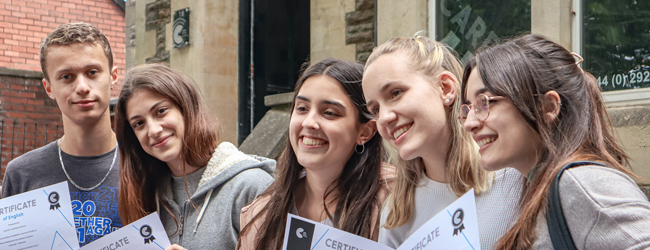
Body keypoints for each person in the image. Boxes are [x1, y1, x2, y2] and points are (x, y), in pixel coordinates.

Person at [460, 34, 650, 249]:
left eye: (484, 103)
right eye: (467, 108)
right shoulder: (537, 186)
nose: (469, 123)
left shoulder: (581, 183)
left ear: (548, 107)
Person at [362, 35, 524, 249]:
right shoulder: (396, 213)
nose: (384, 118)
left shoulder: (517, 179)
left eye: (395, 93)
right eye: (375, 109)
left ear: (446, 88)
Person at [237, 58, 394, 250]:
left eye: (329, 112)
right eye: (302, 109)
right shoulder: (260, 215)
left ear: (365, 131)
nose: (309, 122)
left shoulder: (398, 203)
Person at [115, 64, 275, 249]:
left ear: (186, 108)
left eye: (161, 111)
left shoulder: (251, 186)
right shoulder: (147, 196)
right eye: (139, 123)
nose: (153, 130)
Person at [1, 23, 122, 246]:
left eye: (92, 72)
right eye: (67, 76)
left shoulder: (147, 163)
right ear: (49, 89)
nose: (82, 87)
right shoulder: (22, 174)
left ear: (113, 76)